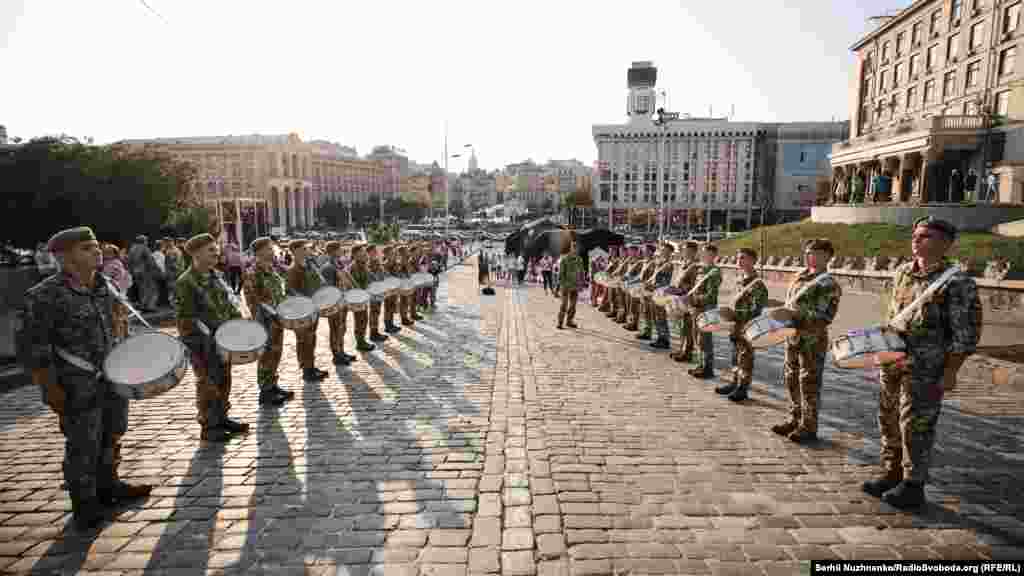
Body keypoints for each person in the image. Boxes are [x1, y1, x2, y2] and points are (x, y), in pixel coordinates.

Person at [21, 227, 152, 531]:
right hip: (76, 384)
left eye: (95, 246)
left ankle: (110, 485)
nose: (96, 252)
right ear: (65, 258)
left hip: (112, 376)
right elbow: (33, 348)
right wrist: (51, 388)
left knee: (113, 432)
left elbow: (118, 324)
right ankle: (85, 503)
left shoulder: (104, 286)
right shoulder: (44, 295)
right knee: (83, 443)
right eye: (86, 248)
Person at [862, 217, 982, 509]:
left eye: (925, 236)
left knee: (916, 426)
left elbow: (965, 333)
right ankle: (891, 473)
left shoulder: (958, 282)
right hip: (894, 361)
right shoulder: (903, 272)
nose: (916, 240)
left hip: (927, 368)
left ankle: (913, 484)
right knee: (888, 417)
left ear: (945, 243)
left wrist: (952, 371)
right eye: (915, 235)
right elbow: (895, 314)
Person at [177, 233, 250, 442]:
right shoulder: (186, 282)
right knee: (207, 382)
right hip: (201, 343)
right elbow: (185, 319)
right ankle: (209, 425)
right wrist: (205, 337)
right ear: (196, 254)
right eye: (210, 250)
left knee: (224, 378)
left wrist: (237, 323)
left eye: (216, 249)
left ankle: (221, 417)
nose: (216, 252)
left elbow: (228, 302)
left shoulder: (216, 275)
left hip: (223, 339)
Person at [770, 238, 842, 444]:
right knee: (791, 378)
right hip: (793, 336)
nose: (810, 256)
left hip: (812, 339)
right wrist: (779, 308)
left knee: (809, 383)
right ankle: (794, 418)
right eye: (808, 252)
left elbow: (823, 317)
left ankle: (809, 426)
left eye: (816, 253)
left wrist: (791, 314)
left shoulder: (828, 283)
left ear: (828, 256)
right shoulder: (799, 277)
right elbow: (792, 303)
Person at [241, 237, 296, 407]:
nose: (272, 251)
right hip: (265, 322)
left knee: (276, 354)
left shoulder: (271, 270)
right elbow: (252, 300)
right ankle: (265, 391)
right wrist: (265, 317)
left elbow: (279, 292)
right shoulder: (253, 273)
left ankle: (273, 385)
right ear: (259, 252)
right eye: (269, 249)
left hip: (278, 320)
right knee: (266, 356)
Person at [716, 248, 769, 401]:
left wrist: (735, 315)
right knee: (735, 357)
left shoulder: (757, 285)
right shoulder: (740, 280)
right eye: (738, 258)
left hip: (747, 328)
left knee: (745, 358)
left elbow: (755, 311)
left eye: (743, 258)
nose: (739, 261)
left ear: (753, 261)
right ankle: (734, 382)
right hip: (735, 327)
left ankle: (742, 388)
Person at [286, 239, 329, 381]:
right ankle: (306, 369)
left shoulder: (310, 266)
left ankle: (311, 365)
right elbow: (291, 292)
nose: (307, 251)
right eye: (304, 249)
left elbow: (320, 281)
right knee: (304, 340)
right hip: (302, 311)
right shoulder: (293, 270)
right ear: (296, 251)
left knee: (312, 338)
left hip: (314, 308)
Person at [319, 241, 357, 366]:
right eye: (339, 249)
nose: (342, 251)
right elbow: (328, 288)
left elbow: (346, 279)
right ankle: (336, 355)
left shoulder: (338, 264)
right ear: (334, 251)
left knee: (342, 327)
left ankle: (341, 351)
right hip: (335, 303)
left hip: (342, 301)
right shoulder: (328, 267)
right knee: (335, 329)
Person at [687, 244, 722, 379]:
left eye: (707, 254)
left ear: (713, 256)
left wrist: (694, 299)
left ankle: (708, 368)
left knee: (705, 339)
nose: (703, 256)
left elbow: (711, 295)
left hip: (707, 308)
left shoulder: (714, 272)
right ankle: (700, 364)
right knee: (697, 337)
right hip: (697, 307)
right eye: (703, 253)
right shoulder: (701, 270)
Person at [670, 241, 702, 363]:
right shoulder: (685, 264)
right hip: (681, 298)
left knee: (688, 327)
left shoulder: (695, 266)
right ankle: (682, 349)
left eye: (688, 251)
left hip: (688, 299)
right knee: (683, 326)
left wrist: (682, 290)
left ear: (694, 252)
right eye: (684, 250)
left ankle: (688, 352)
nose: (685, 253)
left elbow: (694, 285)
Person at [644, 243, 676, 349]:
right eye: (662, 250)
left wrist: (654, 286)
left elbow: (666, 282)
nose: (662, 252)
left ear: (670, 252)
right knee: (656, 316)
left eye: (665, 250)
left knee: (661, 317)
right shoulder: (660, 262)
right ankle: (659, 337)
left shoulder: (668, 265)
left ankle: (664, 339)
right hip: (655, 292)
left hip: (662, 293)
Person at [348, 245, 376, 352]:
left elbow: (369, 277)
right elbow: (353, 283)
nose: (365, 254)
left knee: (363, 319)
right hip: (357, 297)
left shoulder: (362, 265)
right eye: (362, 252)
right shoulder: (354, 267)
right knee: (360, 320)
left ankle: (362, 340)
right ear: (355, 254)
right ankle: (360, 342)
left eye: (364, 252)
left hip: (363, 296)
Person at [556, 239, 584, 330]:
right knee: (564, 304)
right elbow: (561, 274)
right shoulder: (565, 259)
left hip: (575, 286)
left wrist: (581, 283)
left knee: (573, 305)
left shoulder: (579, 259)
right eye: (573, 248)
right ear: (571, 248)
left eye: (576, 248)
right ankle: (560, 322)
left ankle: (569, 321)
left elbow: (581, 272)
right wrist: (561, 285)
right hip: (566, 286)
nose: (575, 250)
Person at [127, 235, 160, 312]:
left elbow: (129, 262)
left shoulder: (132, 249)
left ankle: (143, 305)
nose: (147, 242)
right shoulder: (144, 248)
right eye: (146, 240)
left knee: (141, 289)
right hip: (145, 271)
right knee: (150, 288)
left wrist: (131, 271)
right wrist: (156, 269)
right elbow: (150, 261)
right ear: (144, 241)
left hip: (136, 272)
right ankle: (149, 306)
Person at [367, 245, 392, 340]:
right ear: (369, 252)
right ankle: (373, 333)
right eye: (374, 251)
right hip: (374, 291)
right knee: (374, 312)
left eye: (376, 251)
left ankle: (375, 332)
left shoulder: (376, 261)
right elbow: (371, 276)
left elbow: (382, 272)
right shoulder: (369, 262)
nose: (376, 252)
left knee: (376, 312)